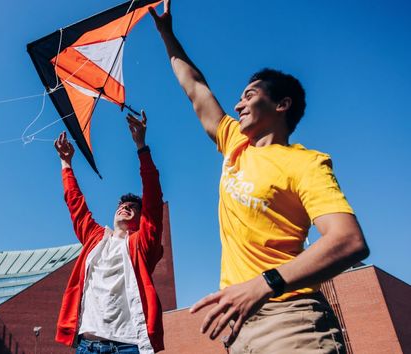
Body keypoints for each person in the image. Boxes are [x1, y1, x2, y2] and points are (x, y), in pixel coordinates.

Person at [149, 1, 370, 353]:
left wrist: (264, 284)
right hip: (239, 328)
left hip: (291, 321)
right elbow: (195, 87)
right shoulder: (235, 142)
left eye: (249, 96)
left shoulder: (306, 163)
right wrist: (166, 34)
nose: (238, 105)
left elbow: (348, 241)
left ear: (281, 105)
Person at [53, 111, 165, 354]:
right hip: (87, 346)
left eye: (132, 207)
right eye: (121, 206)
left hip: (127, 347)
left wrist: (141, 146)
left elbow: (154, 200)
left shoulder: (142, 244)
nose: (124, 208)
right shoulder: (95, 238)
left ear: (139, 218)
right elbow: (75, 204)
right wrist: (66, 164)